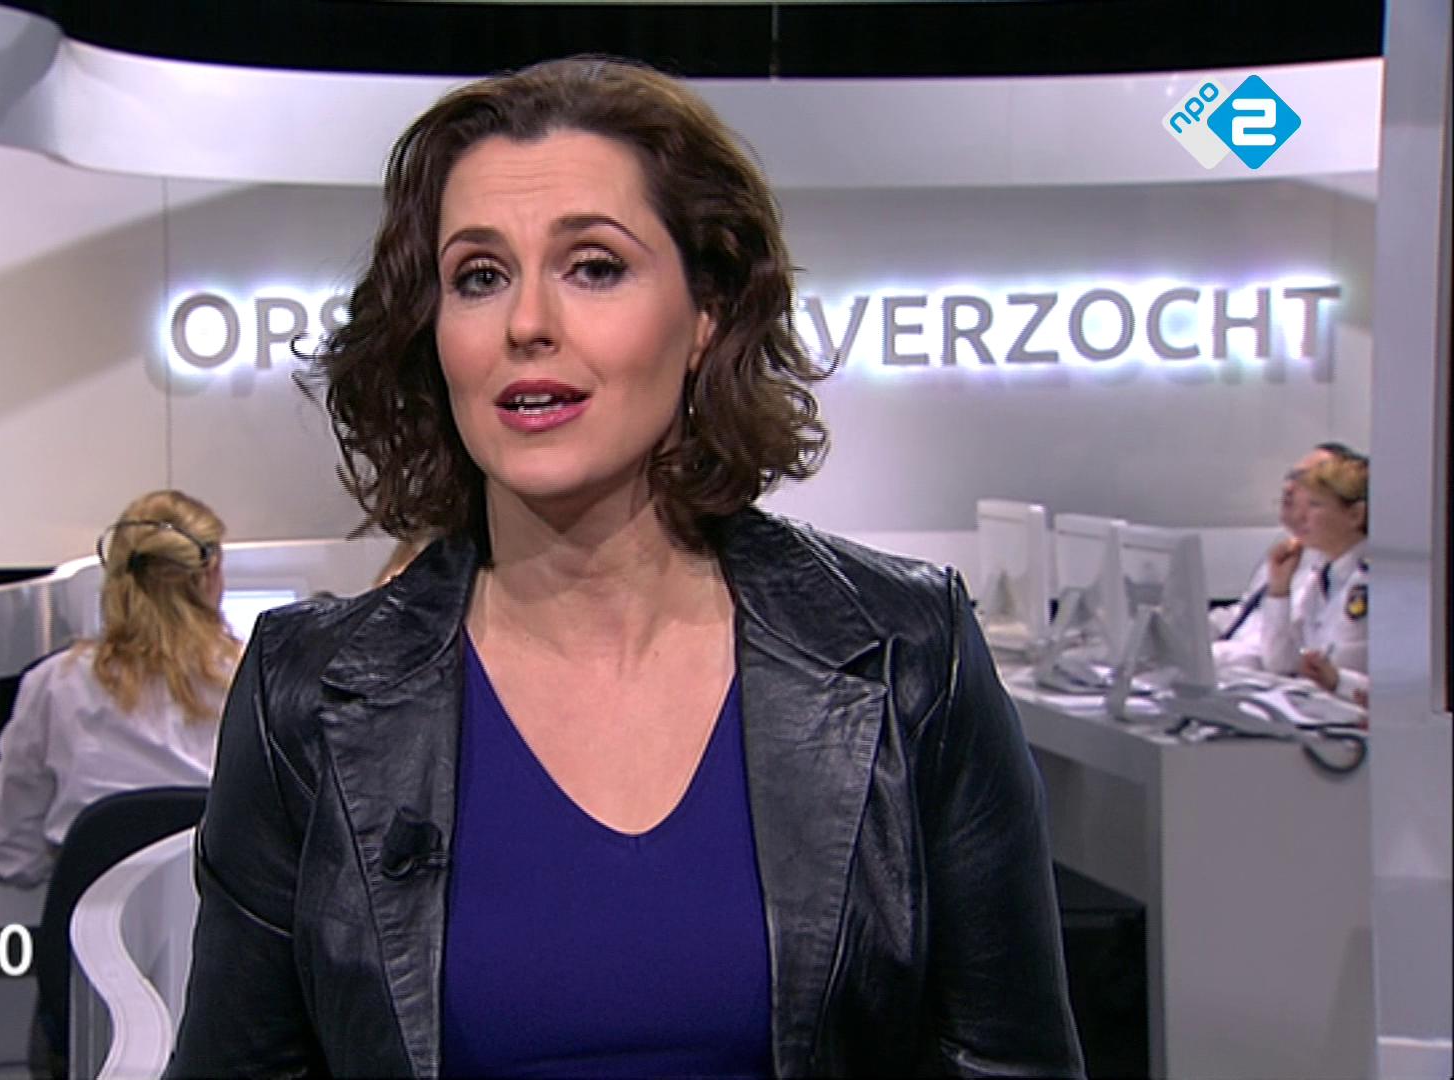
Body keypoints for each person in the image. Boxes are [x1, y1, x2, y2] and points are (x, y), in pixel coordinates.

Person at [174, 57, 1082, 1077]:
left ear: (707, 312)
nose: (526, 323)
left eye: (594, 267)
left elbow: (1012, 1061)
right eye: (479, 276)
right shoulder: (305, 694)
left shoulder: (910, 653)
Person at [0, 489, 236, 889]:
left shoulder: (55, 684)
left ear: (114, 577)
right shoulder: (258, 684)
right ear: (212, 576)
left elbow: (8, 851)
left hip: (86, 920)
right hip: (217, 921)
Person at [1209, 443, 1349, 667]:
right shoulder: (1286, 545)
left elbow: (1274, 654)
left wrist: (1210, 656)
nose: (1290, 487)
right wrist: (1191, 629)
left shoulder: (1326, 566)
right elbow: (1245, 614)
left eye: (1306, 480)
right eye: (1291, 476)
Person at [1259, 453, 1370, 703]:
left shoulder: (1372, 581)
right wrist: (1279, 590)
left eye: (1315, 505)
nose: (1299, 517)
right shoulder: (1319, 574)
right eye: (1300, 505)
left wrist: (1337, 681)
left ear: (1355, 515)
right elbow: (1279, 663)